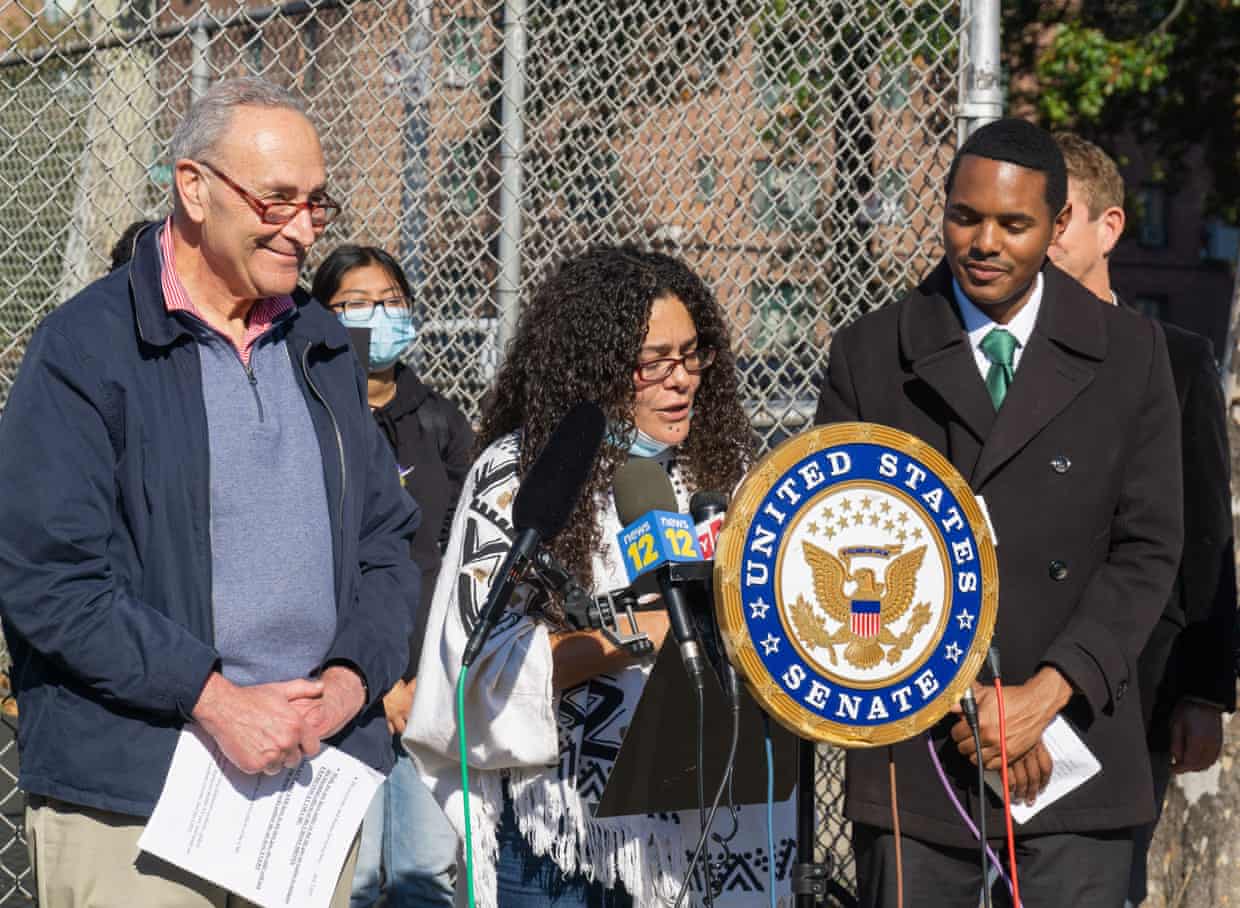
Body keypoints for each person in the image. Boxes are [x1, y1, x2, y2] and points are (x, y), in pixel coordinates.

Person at [0, 77, 421, 907]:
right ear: (194, 188)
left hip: (307, 784)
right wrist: (214, 698)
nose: (303, 228)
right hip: (140, 793)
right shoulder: (85, 351)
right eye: (276, 201)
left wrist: (344, 685)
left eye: (316, 203)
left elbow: (386, 546)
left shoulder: (323, 344)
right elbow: (49, 578)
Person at [815, 118, 1183, 907]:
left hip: (1079, 747)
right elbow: (846, 542)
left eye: (1013, 224)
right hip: (917, 753)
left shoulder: (1132, 353)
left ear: (1056, 229)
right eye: (964, 216)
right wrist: (974, 706)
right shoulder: (871, 355)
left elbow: (1149, 548)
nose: (984, 241)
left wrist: (1044, 696)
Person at [405, 246, 794, 907]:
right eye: (654, 362)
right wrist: (646, 632)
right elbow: (479, 666)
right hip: (562, 844)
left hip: (709, 830)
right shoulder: (521, 474)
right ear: (597, 369)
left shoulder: (722, 474)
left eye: (692, 354)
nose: (683, 380)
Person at [1048, 131, 1237, 907]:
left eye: (1058, 215)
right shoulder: (990, 358)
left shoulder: (1179, 356)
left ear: (1110, 228)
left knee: (1106, 883)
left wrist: (1203, 691)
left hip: (1139, 688)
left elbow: (1205, 534)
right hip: (1013, 680)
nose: (1040, 235)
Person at [312, 244, 473, 907]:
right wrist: (376, 687)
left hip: (429, 680)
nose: (377, 317)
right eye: (354, 304)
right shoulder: (313, 417)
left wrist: (421, 679)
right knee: (354, 877)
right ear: (319, 314)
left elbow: (462, 550)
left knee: (425, 873)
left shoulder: (439, 418)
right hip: (342, 684)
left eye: (391, 301)